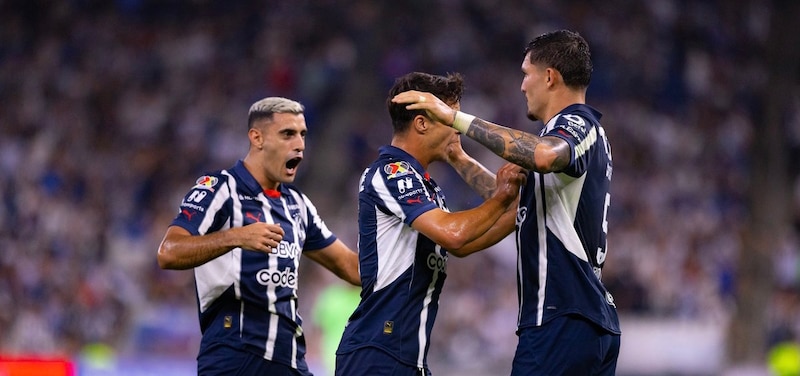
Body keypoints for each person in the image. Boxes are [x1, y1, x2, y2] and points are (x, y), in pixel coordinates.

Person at [392, 30, 620, 375]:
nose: (522, 85)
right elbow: (514, 204)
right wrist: (457, 157)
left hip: (561, 317)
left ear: (549, 77)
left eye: (526, 74)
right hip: (579, 319)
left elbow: (543, 156)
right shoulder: (571, 138)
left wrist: (455, 119)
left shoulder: (576, 123)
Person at [335, 72, 527, 376]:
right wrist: (501, 198)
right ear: (422, 123)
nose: (458, 130)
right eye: (450, 120)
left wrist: (460, 160)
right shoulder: (392, 173)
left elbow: (469, 240)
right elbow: (454, 234)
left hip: (405, 354)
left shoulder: (425, 185)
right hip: (377, 352)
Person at [156, 97, 360, 376]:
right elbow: (169, 251)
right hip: (234, 357)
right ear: (257, 138)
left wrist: (414, 255)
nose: (299, 144)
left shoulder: (298, 205)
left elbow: (351, 267)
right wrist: (235, 237)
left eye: (302, 135)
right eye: (287, 134)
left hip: (289, 359)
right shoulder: (220, 188)